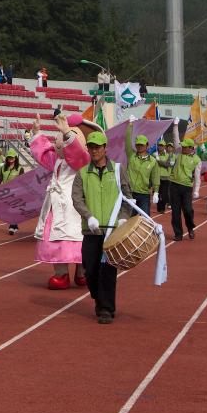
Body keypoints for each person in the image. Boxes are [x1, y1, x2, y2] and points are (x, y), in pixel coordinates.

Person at [32, 113, 94, 290]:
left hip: (74, 206)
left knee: (78, 239)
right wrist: (37, 133)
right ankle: (61, 273)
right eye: (59, 137)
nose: (60, 141)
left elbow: (78, 154)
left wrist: (67, 133)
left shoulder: (84, 160)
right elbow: (44, 153)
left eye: (65, 138)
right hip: (56, 204)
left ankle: (82, 273)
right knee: (56, 239)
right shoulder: (59, 160)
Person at [72, 131, 124, 324]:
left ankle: (106, 309)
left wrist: (124, 218)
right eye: (91, 147)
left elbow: (127, 196)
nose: (93, 150)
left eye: (97, 147)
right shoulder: (83, 173)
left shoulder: (118, 170)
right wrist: (89, 216)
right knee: (90, 270)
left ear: (105, 148)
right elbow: (77, 199)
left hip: (112, 231)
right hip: (91, 230)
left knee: (108, 271)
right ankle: (98, 297)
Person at [123, 121, 160, 217]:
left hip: (144, 194)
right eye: (138, 145)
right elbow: (127, 141)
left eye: (142, 145)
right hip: (130, 193)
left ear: (147, 145)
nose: (139, 147)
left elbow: (155, 177)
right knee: (129, 219)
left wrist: (156, 191)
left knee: (146, 218)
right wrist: (130, 126)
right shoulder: (131, 156)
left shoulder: (152, 161)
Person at [169, 138, 200, 241]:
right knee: (175, 212)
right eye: (183, 146)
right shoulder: (178, 154)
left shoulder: (196, 160)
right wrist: (175, 125)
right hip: (174, 185)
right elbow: (176, 138)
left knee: (187, 209)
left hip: (187, 187)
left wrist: (196, 190)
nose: (183, 148)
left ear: (191, 148)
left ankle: (190, 227)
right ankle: (178, 233)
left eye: (186, 147)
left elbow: (197, 176)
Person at [0, 149, 23, 234]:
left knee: (13, 209)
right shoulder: (4, 167)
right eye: (8, 157)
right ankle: (14, 225)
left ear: (15, 158)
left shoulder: (20, 168)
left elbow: (22, 180)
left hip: (16, 192)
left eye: (11, 157)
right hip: (6, 192)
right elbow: (0, 178)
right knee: (9, 210)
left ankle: (12, 226)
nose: (10, 159)